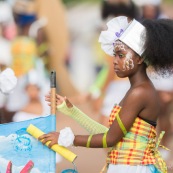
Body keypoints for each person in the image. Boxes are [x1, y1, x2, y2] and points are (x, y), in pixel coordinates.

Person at [38, 16, 173, 173]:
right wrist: (72, 111)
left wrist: (64, 138)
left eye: (121, 55)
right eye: (114, 55)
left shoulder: (140, 92)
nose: (115, 61)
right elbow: (111, 135)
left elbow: (110, 139)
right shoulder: (138, 89)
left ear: (140, 58)